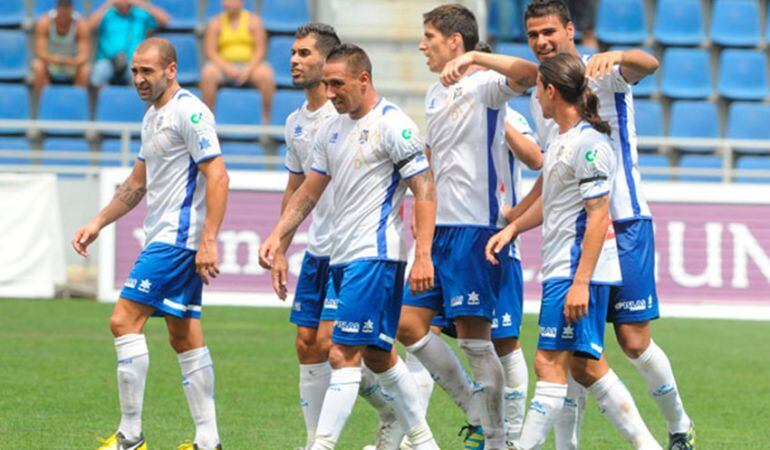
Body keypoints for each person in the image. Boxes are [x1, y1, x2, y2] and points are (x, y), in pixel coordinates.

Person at [515, 2, 694, 449]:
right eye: (533, 34)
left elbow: (650, 64)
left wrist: (617, 55)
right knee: (576, 352)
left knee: (633, 342)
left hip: (625, 220)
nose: (541, 41)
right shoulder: (545, 96)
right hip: (577, 231)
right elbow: (553, 170)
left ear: (571, 29)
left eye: (549, 31)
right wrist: (515, 219)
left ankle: (679, 427)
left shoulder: (602, 73)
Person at [260, 43, 440, 450]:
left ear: (364, 79)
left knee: (341, 354)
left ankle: (320, 445)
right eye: (325, 84)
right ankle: (425, 442)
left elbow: (425, 188)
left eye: (337, 83)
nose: (329, 93)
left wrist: (424, 252)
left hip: (376, 255)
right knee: (378, 356)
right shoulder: (332, 129)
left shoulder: (394, 124)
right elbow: (308, 190)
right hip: (342, 258)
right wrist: (279, 234)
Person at [486, 53, 661, 450]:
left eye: (538, 92)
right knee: (584, 365)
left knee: (549, 364)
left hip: (575, 270)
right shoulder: (564, 140)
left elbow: (599, 217)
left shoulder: (589, 143)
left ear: (551, 91)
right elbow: (555, 200)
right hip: (564, 267)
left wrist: (580, 282)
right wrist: (513, 228)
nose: (536, 100)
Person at [72, 37, 228, 450]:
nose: (139, 78)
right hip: (165, 235)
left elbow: (218, 175)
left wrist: (208, 240)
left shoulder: (190, 113)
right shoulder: (152, 117)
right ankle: (209, 441)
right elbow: (137, 183)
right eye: (135, 71)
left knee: (123, 320)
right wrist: (98, 222)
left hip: (178, 239)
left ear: (171, 70)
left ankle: (130, 436)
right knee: (183, 334)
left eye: (148, 71)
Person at [395, 5, 539, 449]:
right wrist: (423, 227)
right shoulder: (435, 94)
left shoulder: (486, 85)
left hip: (478, 232)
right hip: (440, 233)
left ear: (454, 42)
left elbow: (530, 73)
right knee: (407, 325)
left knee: (484, 343)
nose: (422, 45)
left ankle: (496, 439)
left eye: (430, 37)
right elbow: (431, 167)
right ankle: (478, 412)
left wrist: (476, 58)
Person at [200, 0, 276, 123]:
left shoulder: (254, 21)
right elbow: (211, 51)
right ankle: (208, 118)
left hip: (250, 66)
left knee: (266, 74)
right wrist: (227, 68)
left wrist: (248, 69)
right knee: (208, 73)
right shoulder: (215, 22)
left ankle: (266, 119)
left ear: (241, 2)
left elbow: (260, 50)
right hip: (223, 67)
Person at [88, 0, 169, 88]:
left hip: (133, 61)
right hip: (107, 60)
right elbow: (88, 26)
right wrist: (108, 4)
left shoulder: (139, 15)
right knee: (98, 74)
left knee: (140, 79)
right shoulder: (107, 14)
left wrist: (140, 3)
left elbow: (165, 21)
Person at [31, 0, 90, 97]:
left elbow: (84, 55)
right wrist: (56, 59)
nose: (63, 18)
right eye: (61, 15)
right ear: (56, 11)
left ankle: (76, 101)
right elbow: (40, 52)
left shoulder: (80, 25)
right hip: (50, 64)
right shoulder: (45, 22)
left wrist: (70, 61)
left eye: (66, 15)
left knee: (85, 70)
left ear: (71, 12)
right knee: (38, 67)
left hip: (72, 65)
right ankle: (45, 101)